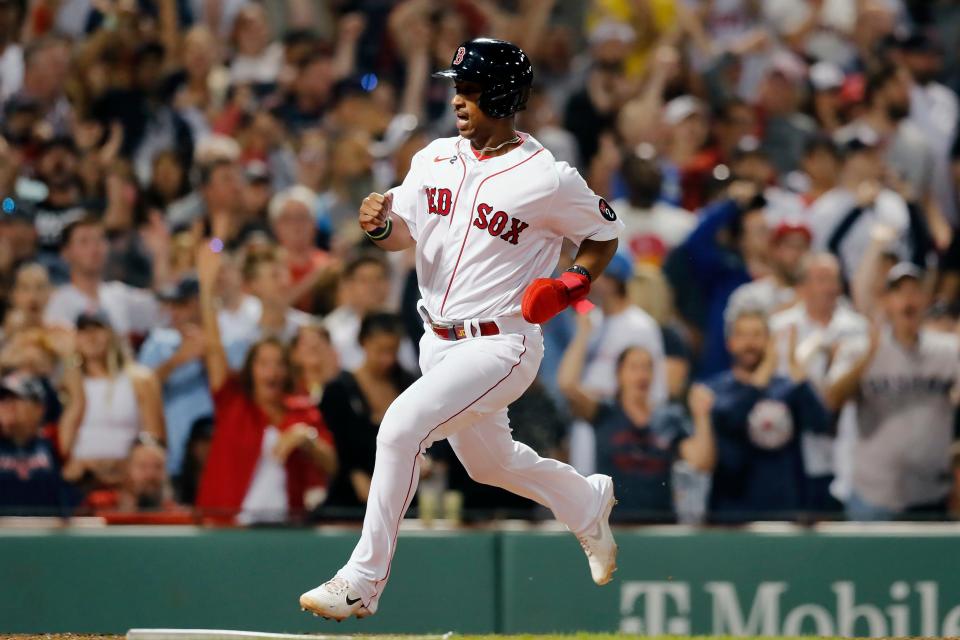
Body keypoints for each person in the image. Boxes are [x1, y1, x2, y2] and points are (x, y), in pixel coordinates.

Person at [300, 39, 623, 621]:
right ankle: (585, 500)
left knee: (399, 429)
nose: (457, 97)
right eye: (457, 85)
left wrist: (572, 284)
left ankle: (363, 580)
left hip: (503, 342)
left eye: (469, 87)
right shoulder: (433, 158)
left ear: (501, 93)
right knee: (489, 465)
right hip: (438, 341)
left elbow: (605, 234)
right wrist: (380, 227)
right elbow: (404, 231)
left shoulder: (547, 177)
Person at [194, 244, 338, 525]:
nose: (272, 372)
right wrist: (207, 292)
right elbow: (213, 348)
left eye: (279, 364)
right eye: (263, 364)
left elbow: (331, 463)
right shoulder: (233, 401)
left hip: (286, 530)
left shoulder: (301, 411)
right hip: (227, 529)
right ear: (250, 369)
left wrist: (304, 438)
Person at [825, 263, 960, 520]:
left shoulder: (948, 351)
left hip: (931, 493)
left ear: (926, 300)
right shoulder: (858, 348)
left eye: (915, 292)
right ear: (886, 301)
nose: (908, 300)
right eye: (899, 292)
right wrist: (869, 357)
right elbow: (831, 399)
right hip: (873, 495)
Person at [559, 312, 715, 522]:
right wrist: (583, 334)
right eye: (634, 367)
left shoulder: (667, 417)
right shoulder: (604, 412)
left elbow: (701, 462)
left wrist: (702, 416)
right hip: (612, 526)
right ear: (619, 374)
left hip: (660, 527)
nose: (642, 375)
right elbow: (568, 385)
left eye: (647, 368)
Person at [706, 306, 832, 522]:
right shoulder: (716, 390)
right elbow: (731, 421)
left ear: (769, 341)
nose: (750, 343)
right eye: (742, 335)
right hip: (733, 513)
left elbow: (821, 424)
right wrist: (761, 379)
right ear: (730, 343)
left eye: (757, 335)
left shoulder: (787, 388)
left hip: (784, 510)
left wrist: (800, 377)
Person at [769, 253, 867, 513]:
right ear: (802, 286)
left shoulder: (859, 328)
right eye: (822, 279)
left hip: (848, 446)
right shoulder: (780, 328)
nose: (831, 288)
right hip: (796, 451)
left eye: (835, 280)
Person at [319, 313, 416, 514]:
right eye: (381, 351)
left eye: (393, 351)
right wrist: (353, 473)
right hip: (348, 499)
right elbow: (334, 445)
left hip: (401, 496)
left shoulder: (409, 386)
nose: (387, 359)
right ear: (363, 343)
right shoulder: (338, 390)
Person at [58, 311, 166, 488]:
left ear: (112, 334)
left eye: (98, 329)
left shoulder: (140, 379)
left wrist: (120, 467)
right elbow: (64, 445)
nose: (91, 337)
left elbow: (154, 440)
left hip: (129, 481)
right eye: (84, 331)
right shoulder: (68, 383)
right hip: (82, 479)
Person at [138, 275, 213, 484]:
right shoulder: (158, 342)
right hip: (173, 454)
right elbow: (141, 387)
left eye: (182, 305)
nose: (175, 312)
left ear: (200, 305)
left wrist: (210, 357)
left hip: (215, 451)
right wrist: (178, 359)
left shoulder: (223, 340)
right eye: (172, 306)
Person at [43, 217, 160, 341]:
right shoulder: (60, 301)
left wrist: (159, 258)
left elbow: (163, 311)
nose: (94, 248)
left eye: (99, 240)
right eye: (84, 242)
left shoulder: (119, 294)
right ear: (66, 253)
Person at [0, 373, 72, 516]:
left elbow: (77, 407)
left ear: (39, 408)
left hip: (46, 533)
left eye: (16, 399)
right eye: (3, 400)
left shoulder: (55, 440)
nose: (7, 406)